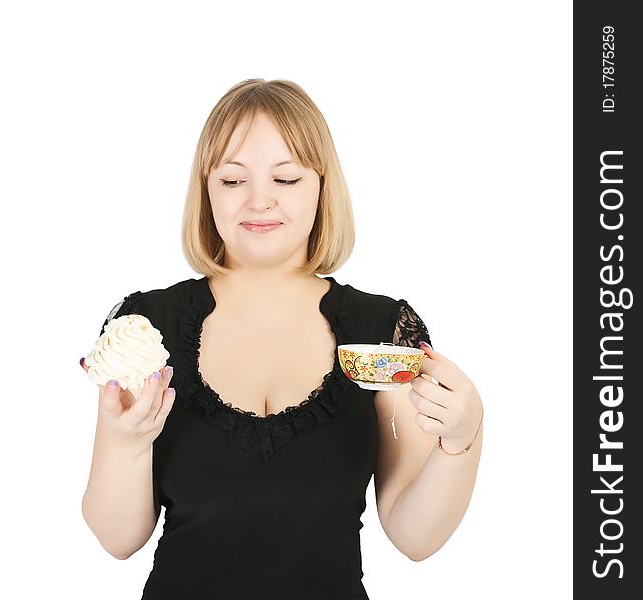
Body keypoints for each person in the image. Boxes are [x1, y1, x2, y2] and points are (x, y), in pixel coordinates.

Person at [80, 78, 484, 600]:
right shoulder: (148, 327)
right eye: (232, 180)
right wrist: (126, 443)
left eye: (286, 178)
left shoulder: (380, 330)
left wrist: (463, 438)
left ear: (321, 185)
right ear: (206, 191)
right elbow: (117, 538)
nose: (259, 200)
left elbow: (414, 536)